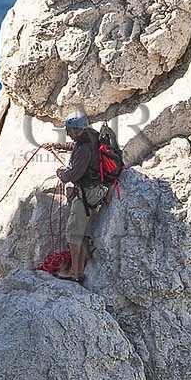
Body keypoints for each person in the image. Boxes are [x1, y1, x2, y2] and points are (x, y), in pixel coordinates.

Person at [55, 114, 109, 282]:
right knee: (81, 229)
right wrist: (60, 146)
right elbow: (77, 146)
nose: (67, 132)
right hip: (95, 189)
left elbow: (72, 174)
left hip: (87, 194)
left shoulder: (84, 149)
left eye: (69, 130)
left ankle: (75, 272)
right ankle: (83, 260)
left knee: (73, 233)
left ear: (76, 129)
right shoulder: (90, 135)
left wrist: (61, 174)